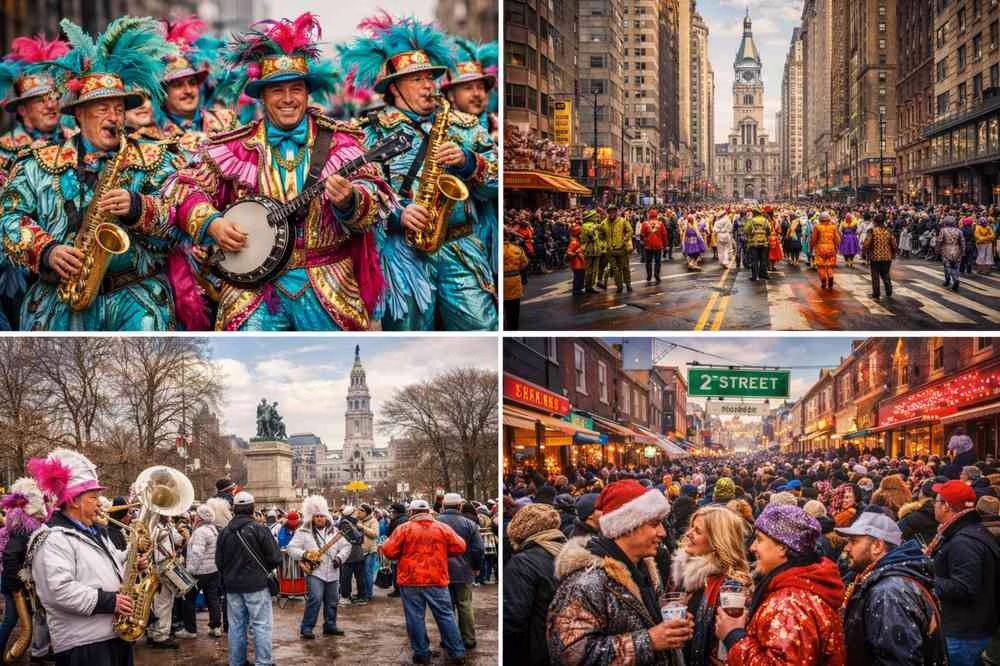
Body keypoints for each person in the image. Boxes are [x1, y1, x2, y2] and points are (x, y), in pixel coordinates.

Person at [165, 14, 392, 332]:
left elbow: (376, 199)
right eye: (276, 91)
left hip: (328, 281)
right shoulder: (235, 145)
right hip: (250, 287)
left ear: (307, 93)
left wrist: (351, 200)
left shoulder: (342, 141)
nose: (288, 99)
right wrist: (211, 223)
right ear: (262, 97)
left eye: (296, 89)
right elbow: (185, 186)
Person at [0, 18, 181, 331]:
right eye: (102, 109)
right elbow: (8, 218)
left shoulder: (156, 158)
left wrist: (139, 206)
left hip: (136, 297)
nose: (114, 117)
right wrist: (46, 250)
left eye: (118, 108)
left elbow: (181, 216)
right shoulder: (36, 164)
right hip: (59, 297)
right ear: (79, 115)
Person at [342, 17, 498, 331]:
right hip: (402, 252)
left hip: (461, 248)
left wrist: (469, 162)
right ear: (394, 87)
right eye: (417, 80)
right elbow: (355, 193)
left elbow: (498, 183)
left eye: (430, 77)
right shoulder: (366, 133)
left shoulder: (464, 126)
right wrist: (397, 212)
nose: (429, 86)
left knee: (481, 328)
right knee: (408, 331)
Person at [547, 480, 693, 664]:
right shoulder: (585, 582)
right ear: (627, 527)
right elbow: (568, 655)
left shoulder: (645, 568)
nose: (663, 532)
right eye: (655, 524)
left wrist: (662, 619)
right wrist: (649, 641)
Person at [26, 448, 134, 666]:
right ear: (74, 501)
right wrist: (110, 601)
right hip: (84, 644)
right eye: (93, 498)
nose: (100, 504)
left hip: (112, 634)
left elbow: (103, 568)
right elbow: (58, 591)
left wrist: (131, 562)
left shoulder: (94, 531)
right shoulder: (52, 538)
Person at [714, 504, 846, 666]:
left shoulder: (790, 603)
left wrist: (734, 637)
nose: (752, 547)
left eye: (760, 539)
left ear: (783, 547)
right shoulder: (801, 585)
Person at [836, 511, 946, 665]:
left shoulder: (888, 592)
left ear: (877, 546)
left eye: (853, 541)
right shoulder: (889, 581)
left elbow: (899, 660)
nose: (846, 548)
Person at [382, 499, 468, 665]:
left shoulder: (404, 529)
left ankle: (421, 653)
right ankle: (457, 652)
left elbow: (389, 551)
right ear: (428, 511)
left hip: (410, 580)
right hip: (437, 579)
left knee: (415, 618)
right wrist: (443, 552)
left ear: (411, 512)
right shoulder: (442, 528)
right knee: (445, 616)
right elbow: (460, 547)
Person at [927, 479, 1000, 666]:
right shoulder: (968, 532)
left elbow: (964, 588)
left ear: (946, 506)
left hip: (964, 634)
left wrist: (927, 579)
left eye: (936, 501)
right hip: (969, 629)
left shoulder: (963, 542)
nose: (933, 505)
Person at [671, 505, 752, 666]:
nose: (688, 534)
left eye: (697, 531)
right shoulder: (685, 574)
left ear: (718, 540)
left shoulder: (731, 587)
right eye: (691, 528)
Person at [215, 491, 282, 666]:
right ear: (253, 509)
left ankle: (237, 662)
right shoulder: (260, 529)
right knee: (261, 626)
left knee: (236, 627)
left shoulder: (224, 533)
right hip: (257, 586)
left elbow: (219, 562)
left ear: (235, 509)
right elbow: (276, 558)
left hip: (232, 587)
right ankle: (264, 662)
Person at [503, 503, 565, 666]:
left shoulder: (523, 562)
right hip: (565, 646)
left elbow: (513, 617)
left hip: (536, 649)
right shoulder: (569, 552)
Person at [287, 495, 351, 639]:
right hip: (315, 572)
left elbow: (347, 546)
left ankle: (330, 625)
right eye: (317, 516)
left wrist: (339, 559)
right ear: (312, 518)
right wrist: (305, 554)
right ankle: (307, 627)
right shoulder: (303, 532)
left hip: (333, 572)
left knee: (333, 600)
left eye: (322, 516)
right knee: (315, 599)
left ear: (326, 516)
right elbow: (291, 548)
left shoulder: (335, 532)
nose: (320, 519)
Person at [0, 478, 49, 660]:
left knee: (15, 620)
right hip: (14, 584)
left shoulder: (25, 524)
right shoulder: (24, 527)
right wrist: (17, 586)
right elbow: (10, 556)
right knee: (10, 620)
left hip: (16, 582)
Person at [437, 493, 484, 650]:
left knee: (445, 608)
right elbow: (478, 549)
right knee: (465, 605)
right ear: (460, 506)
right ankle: (468, 638)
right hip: (464, 570)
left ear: (443, 505)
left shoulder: (436, 523)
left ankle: (448, 639)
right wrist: (477, 567)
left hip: (441, 571)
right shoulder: (469, 524)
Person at [184, 503, 224, 638]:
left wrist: (190, 570)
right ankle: (216, 626)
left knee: (189, 599)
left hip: (200, 572)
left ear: (200, 518)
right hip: (213, 570)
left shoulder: (200, 532)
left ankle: (190, 630)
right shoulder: (213, 529)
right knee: (213, 599)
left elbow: (197, 553)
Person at [862, 213, 896, 300]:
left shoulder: (871, 231)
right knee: (886, 274)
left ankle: (876, 293)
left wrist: (864, 253)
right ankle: (888, 291)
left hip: (875, 256)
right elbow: (894, 244)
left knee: (875, 275)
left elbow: (867, 243)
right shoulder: (889, 230)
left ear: (875, 222)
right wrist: (894, 253)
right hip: (887, 257)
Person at [337, 505, 367, 604]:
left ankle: (346, 596)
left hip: (349, 553)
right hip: (357, 552)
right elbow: (361, 539)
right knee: (359, 576)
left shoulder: (343, 523)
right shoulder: (356, 523)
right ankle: (362, 595)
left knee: (346, 576)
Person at [503, 229, 528, 328]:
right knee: (513, 310)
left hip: (499, 282)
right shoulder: (518, 249)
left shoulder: (494, 249)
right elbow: (524, 263)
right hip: (514, 281)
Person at [811, 212, 842, 291]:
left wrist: (811, 248)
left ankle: (824, 282)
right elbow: (838, 240)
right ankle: (830, 279)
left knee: (821, 267)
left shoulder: (817, 227)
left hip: (820, 248)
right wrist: (836, 248)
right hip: (831, 248)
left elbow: (814, 239)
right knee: (830, 266)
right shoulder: (833, 227)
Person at [357, 503, 380, 603]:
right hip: (361, 551)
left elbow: (375, 534)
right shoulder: (359, 520)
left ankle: (368, 594)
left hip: (370, 551)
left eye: (361, 510)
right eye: (358, 510)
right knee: (361, 574)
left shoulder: (373, 520)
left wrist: (362, 528)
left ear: (366, 512)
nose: (359, 512)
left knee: (368, 573)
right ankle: (362, 593)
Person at [606, 206, 633, 292]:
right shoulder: (604, 223)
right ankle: (619, 286)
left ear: (616, 212)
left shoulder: (623, 221)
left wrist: (625, 239)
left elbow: (630, 230)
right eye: (610, 212)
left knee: (625, 267)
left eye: (613, 212)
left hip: (622, 249)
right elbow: (600, 234)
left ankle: (628, 284)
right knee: (615, 269)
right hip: (610, 250)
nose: (612, 214)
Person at [938, 215, 965, 292]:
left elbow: (939, 240)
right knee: (956, 267)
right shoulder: (959, 231)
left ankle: (952, 280)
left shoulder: (943, 230)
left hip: (946, 249)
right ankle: (953, 279)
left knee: (947, 266)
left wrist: (937, 249)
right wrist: (963, 251)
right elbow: (962, 242)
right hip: (957, 249)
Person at [641, 210, 668, 283]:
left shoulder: (645, 224)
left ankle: (649, 275)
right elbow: (664, 235)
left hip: (648, 245)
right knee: (657, 261)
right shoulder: (660, 224)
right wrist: (665, 245)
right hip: (658, 245)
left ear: (649, 215)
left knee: (648, 262)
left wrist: (644, 241)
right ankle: (657, 274)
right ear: (656, 215)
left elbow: (642, 234)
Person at [744, 209, 770, 282]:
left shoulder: (751, 221)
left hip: (753, 243)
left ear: (754, 213)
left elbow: (746, 230)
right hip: (764, 243)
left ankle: (754, 276)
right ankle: (763, 274)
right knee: (763, 259)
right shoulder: (765, 220)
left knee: (754, 260)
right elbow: (769, 230)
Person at [580, 210, 602, 293]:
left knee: (595, 269)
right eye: (594, 216)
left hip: (596, 250)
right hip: (589, 250)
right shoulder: (585, 225)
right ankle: (587, 286)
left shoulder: (595, 225)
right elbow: (591, 235)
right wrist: (595, 227)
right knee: (589, 270)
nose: (596, 217)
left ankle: (592, 286)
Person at [565, 224, 587, 294]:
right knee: (578, 277)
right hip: (577, 263)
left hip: (581, 263)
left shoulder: (579, 242)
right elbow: (569, 252)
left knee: (581, 276)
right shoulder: (574, 243)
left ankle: (579, 288)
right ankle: (576, 289)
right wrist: (575, 254)